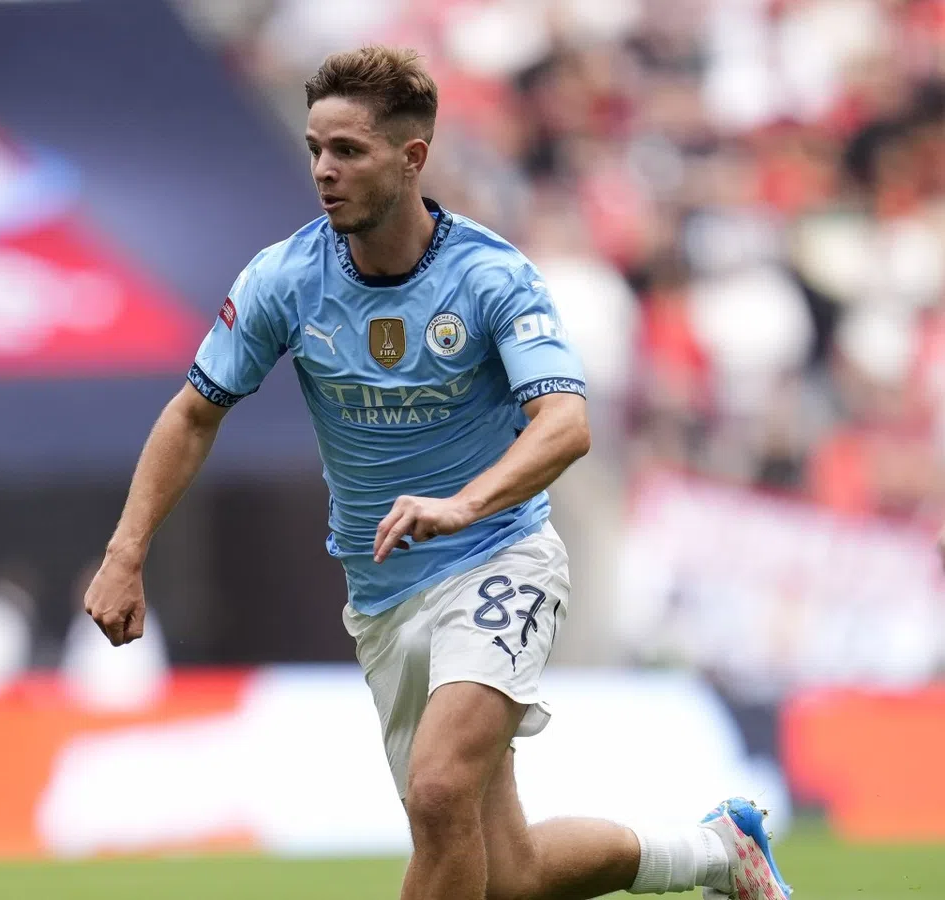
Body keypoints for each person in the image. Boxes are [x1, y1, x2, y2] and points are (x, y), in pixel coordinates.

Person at [82, 47, 791, 900]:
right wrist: (126, 552)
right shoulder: (284, 279)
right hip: (383, 591)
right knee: (506, 871)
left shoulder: (492, 277)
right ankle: (719, 852)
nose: (322, 170)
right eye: (315, 148)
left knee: (440, 789)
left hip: (499, 557)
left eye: (348, 150)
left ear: (411, 157)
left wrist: (465, 504)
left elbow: (566, 425)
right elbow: (194, 412)